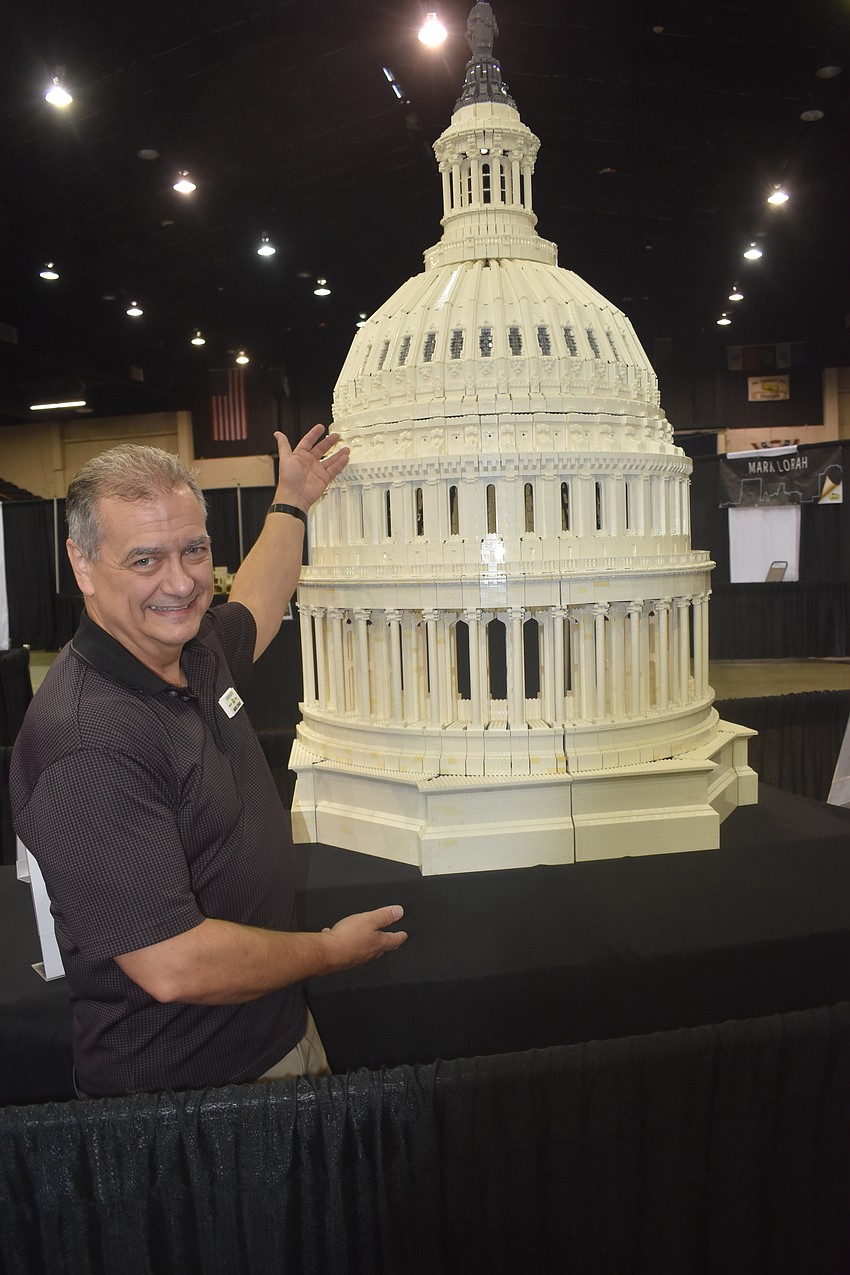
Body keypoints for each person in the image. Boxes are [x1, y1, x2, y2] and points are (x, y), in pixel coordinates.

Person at [10, 427, 407, 1098]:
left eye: (194, 548)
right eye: (145, 560)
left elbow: (258, 599)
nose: (181, 581)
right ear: (83, 566)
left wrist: (292, 500)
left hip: (272, 1036)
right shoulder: (88, 743)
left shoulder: (189, 650)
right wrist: (331, 950)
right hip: (189, 1101)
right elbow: (175, 964)